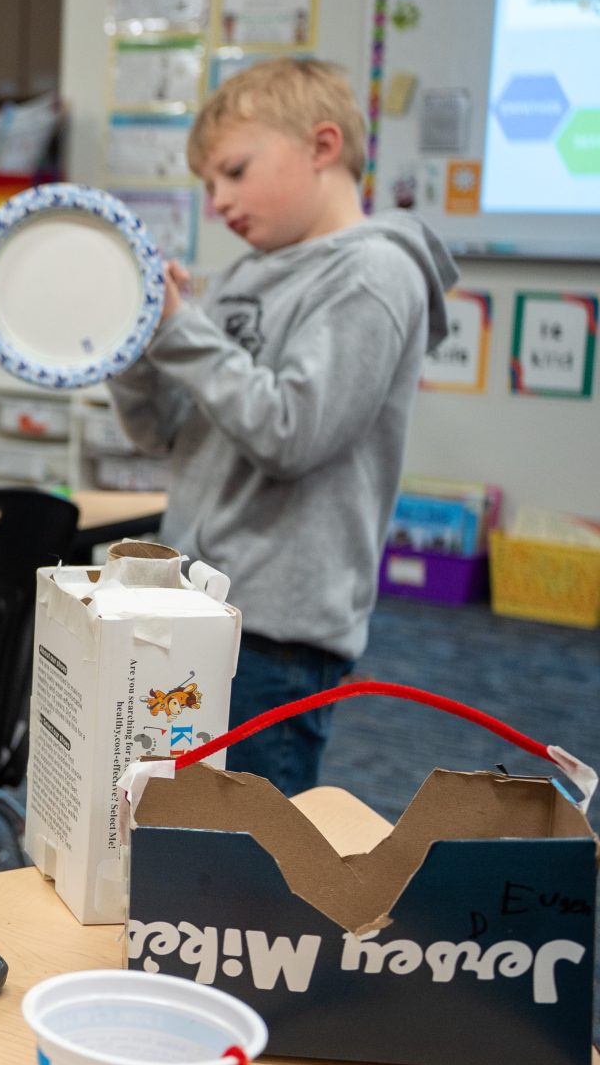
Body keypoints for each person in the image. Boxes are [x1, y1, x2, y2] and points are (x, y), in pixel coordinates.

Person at [108, 58, 454, 793]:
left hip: (276, 632)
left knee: (255, 869)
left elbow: (292, 433)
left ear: (322, 146)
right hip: (194, 603)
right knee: (176, 835)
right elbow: (162, 429)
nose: (219, 201)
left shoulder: (374, 275)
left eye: (234, 171)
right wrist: (136, 340)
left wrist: (183, 332)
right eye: (208, 185)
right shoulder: (245, 275)